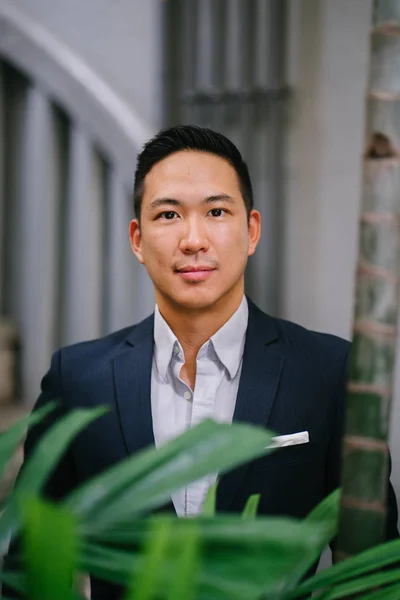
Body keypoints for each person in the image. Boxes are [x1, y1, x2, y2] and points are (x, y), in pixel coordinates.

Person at [3, 125, 399, 599]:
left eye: (216, 211)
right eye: (168, 214)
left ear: (251, 230)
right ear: (137, 238)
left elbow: (372, 572)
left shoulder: (328, 371)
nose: (193, 239)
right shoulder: (79, 379)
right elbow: (29, 568)